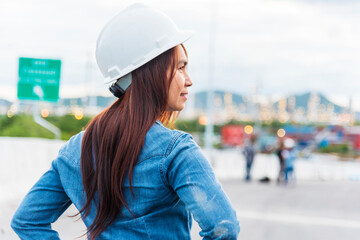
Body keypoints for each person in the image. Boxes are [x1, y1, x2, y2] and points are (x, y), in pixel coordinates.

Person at [11, 3, 240, 240]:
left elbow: (27, 222)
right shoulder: (176, 150)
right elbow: (224, 228)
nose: (189, 80)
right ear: (152, 72)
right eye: (180, 67)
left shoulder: (75, 150)